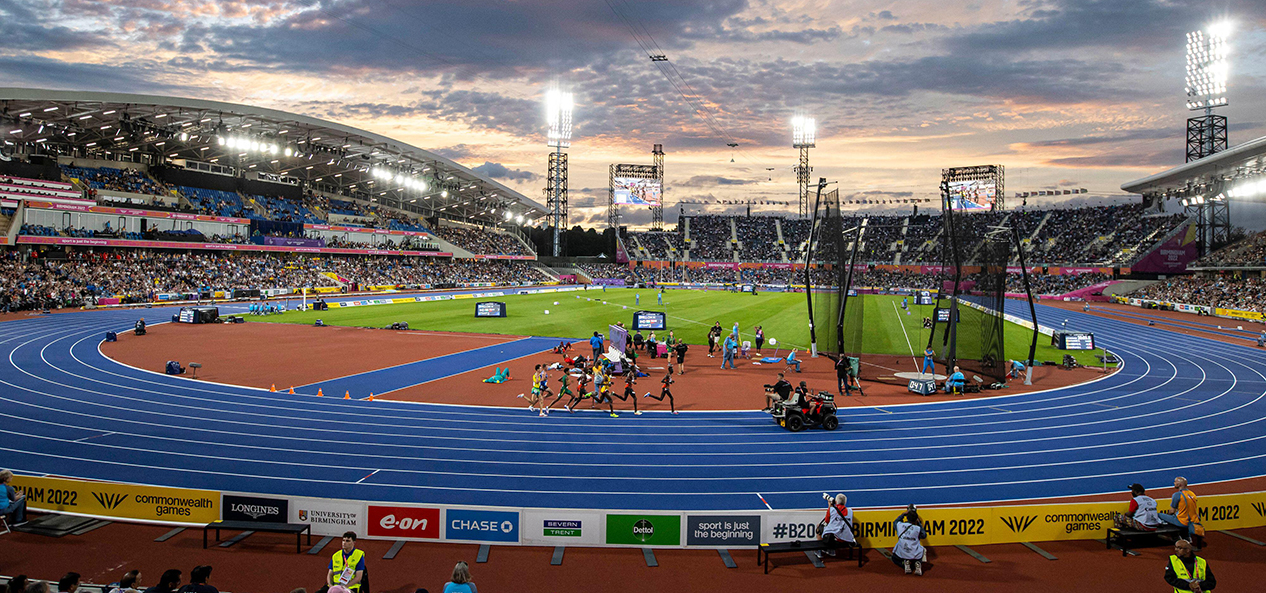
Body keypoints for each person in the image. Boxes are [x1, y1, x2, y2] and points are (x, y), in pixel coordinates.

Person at [1160, 477, 1202, 543]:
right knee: (1178, 516)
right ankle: (1187, 537)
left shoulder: (1177, 495)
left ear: (1179, 484)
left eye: (1175, 482)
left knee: (1160, 515)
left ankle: (1175, 536)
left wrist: (1167, 516)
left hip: (1183, 521)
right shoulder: (1192, 494)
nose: (1174, 483)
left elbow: (1172, 511)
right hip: (1193, 520)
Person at [816, 493, 856, 560]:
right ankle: (831, 550)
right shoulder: (850, 511)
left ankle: (820, 551)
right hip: (848, 538)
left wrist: (830, 506)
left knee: (819, 527)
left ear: (836, 502)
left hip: (836, 539)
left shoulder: (832, 510)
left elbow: (826, 521)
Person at [892, 506, 928, 575]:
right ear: (916, 519)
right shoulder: (917, 528)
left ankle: (906, 564)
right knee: (923, 550)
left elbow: (895, 522)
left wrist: (903, 514)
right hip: (914, 553)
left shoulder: (900, 525)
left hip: (902, 552)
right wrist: (919, 523)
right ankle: (918, 564)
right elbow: (924, 535)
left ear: (907, 517)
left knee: (894, 558)